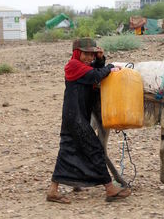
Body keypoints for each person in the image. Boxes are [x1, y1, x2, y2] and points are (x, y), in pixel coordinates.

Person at [47, 37, 131, 204]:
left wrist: (101, 60)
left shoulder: (83, 66)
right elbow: (95, 75)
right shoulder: (73, 66)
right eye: (86, 54)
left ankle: (53, 191)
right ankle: (110, 189)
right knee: (95, 149)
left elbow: (95, 69)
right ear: (77, 53)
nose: (89, 57)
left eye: (92, 54)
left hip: (74, 116)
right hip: (75, 117)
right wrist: (110, 68)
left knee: (67, 150)